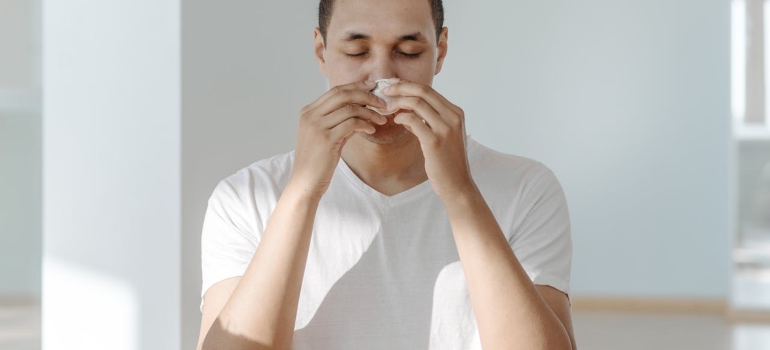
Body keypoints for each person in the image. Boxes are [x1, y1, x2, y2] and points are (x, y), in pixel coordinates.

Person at [197, 0, 576, 349]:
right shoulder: (245, 197)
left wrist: (461, 194)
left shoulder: (526, 189)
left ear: (440, 51)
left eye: (408, 51)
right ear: (321, 52)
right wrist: (303, 191)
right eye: (356, 51)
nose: (382, 77)